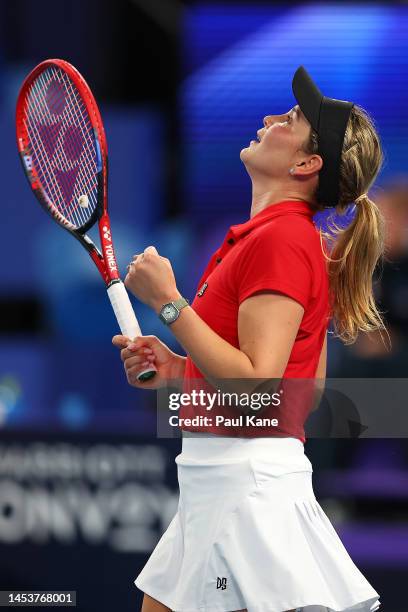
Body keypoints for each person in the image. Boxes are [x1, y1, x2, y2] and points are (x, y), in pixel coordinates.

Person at [113, 66, 384, 612]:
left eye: (290, 119)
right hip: (220, 485)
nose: (269, 118)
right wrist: (181, 373)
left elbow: (257, 385)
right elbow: (299, 391)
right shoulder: (271, 238)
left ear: (307, 164)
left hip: (244, 493)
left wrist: (169, 304)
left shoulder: (282, 240)